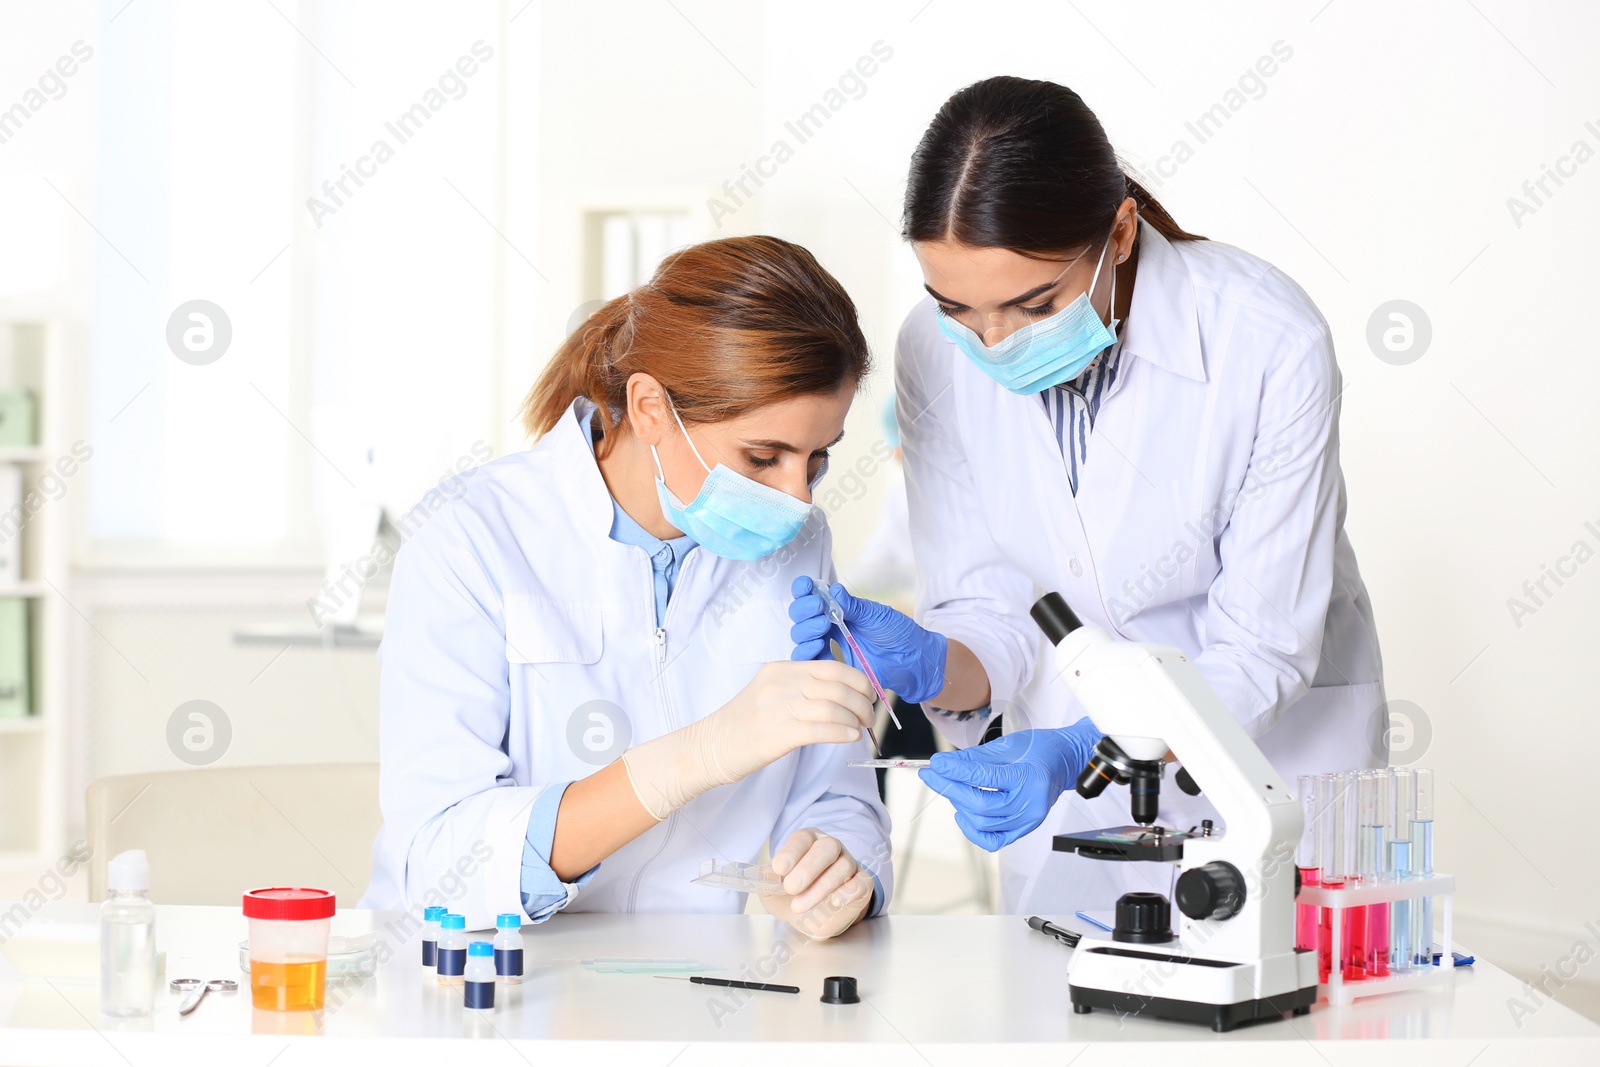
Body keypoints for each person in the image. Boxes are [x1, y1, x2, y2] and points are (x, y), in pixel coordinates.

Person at [790, 76, 1385, 913]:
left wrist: (1081, 748)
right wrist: (935, 663)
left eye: (1034, 303)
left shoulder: (1264, 337)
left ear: (1121, 231)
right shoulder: (934, 352)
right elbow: (996, 610)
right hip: (1079, 830)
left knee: (1275, 1022)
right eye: (958, 306)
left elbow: (1262, 648)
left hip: (1272, 772)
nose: (993, 345)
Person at [363, 235, 891, 938]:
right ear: (649, 408)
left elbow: (837, 789)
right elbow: (436, 857)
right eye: (763, 457)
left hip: (692, 983)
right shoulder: (471, 537)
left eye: (817, 459)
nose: (799, 497)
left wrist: (838, 863)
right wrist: (687, 759)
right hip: (489, 984)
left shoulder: (796, 545)